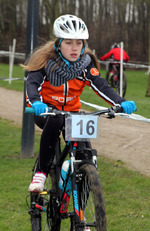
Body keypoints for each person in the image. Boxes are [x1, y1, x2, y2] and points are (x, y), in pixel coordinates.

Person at [21, 15, 136, 193]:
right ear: (58, 44)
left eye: (79, 43)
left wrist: (121, 102)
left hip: (72, 112)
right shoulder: (45, 61)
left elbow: (101, 86)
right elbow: (32, 84)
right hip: (46, 111)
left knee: (84, 150)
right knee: (57, 120)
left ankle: (79, 186)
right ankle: (41, 173)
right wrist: (36, 102)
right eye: (68, 43)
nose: (74, 48)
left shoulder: (85, 64)